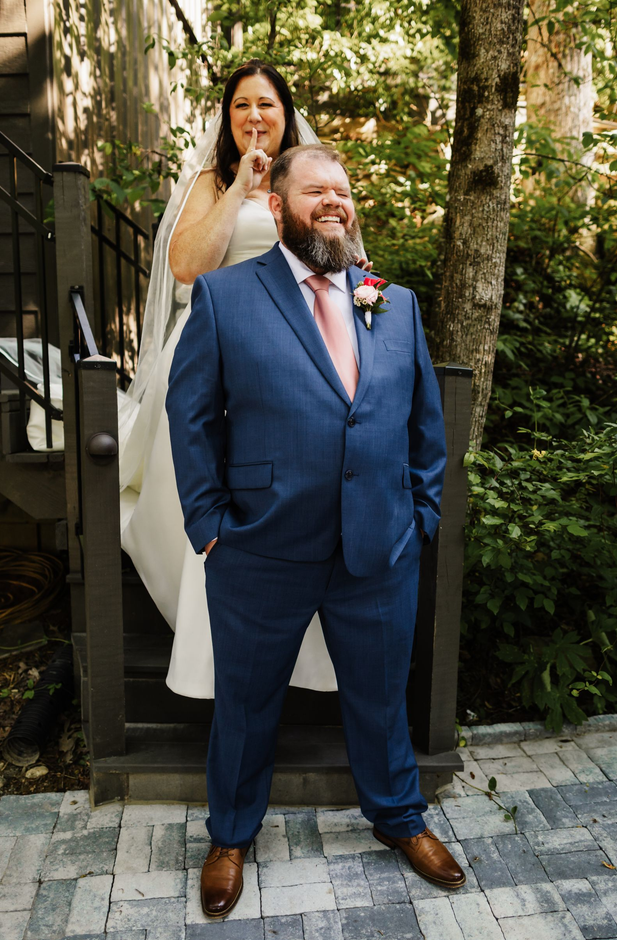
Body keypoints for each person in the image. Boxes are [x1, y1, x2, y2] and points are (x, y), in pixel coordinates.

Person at [166, 143, 466, 919]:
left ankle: (399, 819)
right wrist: (208, 525)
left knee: (378, 697)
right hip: (259, 546)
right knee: (245, 700)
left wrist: (419, 516)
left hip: (378, 546)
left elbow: (424, 425)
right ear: (278, 207)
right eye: (314, 192)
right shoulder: (227, 297)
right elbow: (190, 414)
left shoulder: (392, 301)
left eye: (341, 190)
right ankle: (230, 835)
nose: (332, 201)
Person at [118, 61, 339, 698]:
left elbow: (338, 259)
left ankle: (302, 651)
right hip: (210, 350)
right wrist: (239, 186)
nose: (253, 117)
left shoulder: (307, 180)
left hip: (289, 352)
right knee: (208, 479)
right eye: (241, 106)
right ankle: (212, 658)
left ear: (285, 112)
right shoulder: (209, 180)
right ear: (228, 117)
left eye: (265, 105)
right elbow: (187, 268)